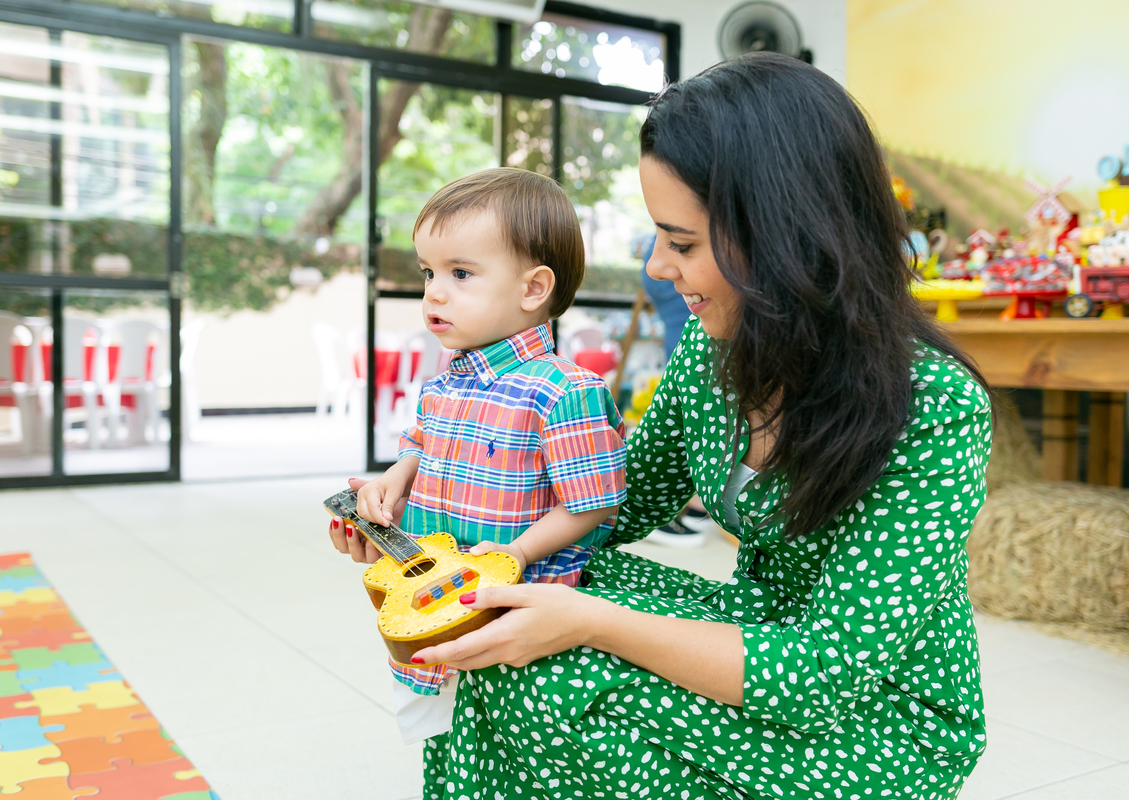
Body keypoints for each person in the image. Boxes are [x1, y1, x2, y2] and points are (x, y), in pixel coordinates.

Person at [335, 53, 990, 799]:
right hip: (753, 623)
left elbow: (822, 673)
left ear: (786, 235)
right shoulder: (713, 359)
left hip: (871, 709)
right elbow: (612, 505)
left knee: (547, 670)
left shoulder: (934, 406)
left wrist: (586, 621)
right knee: (501, 622)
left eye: (681, 243)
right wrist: (432, 544)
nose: (655, 266)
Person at [330, 168, 626, 745]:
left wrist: (515, 552)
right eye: (429, 273)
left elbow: (592, 505)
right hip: (430, 606)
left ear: (533, 289)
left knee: (508, 752)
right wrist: (391, 483)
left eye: (461, 273)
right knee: (441, 746)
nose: (434, 292)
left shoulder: (565, 392)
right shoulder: (444, 385)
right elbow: (421, 448)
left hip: (514, 625)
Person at [639, 236, 720, 548]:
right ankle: (693, 503)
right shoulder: (698, 339)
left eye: (682, 243)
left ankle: (696, 502)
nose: (654, 267)